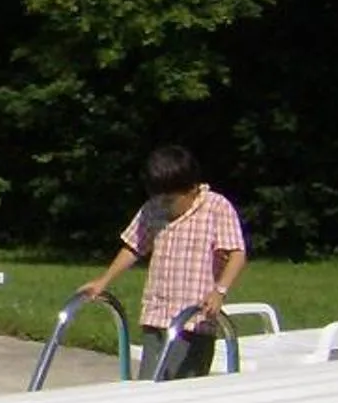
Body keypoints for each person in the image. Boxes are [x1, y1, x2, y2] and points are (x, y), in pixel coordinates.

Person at [79, 143, 249, 378]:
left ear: (191, 190)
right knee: (150, 383)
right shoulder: (154, 209)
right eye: (158, 199)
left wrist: (220, 291)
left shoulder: (216, 208)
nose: (163, 206)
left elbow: (237, 254)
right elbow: (134, 247)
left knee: (182, 388)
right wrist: (104, 280)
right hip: (157, 314)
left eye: (169, 200)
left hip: (194, 321)